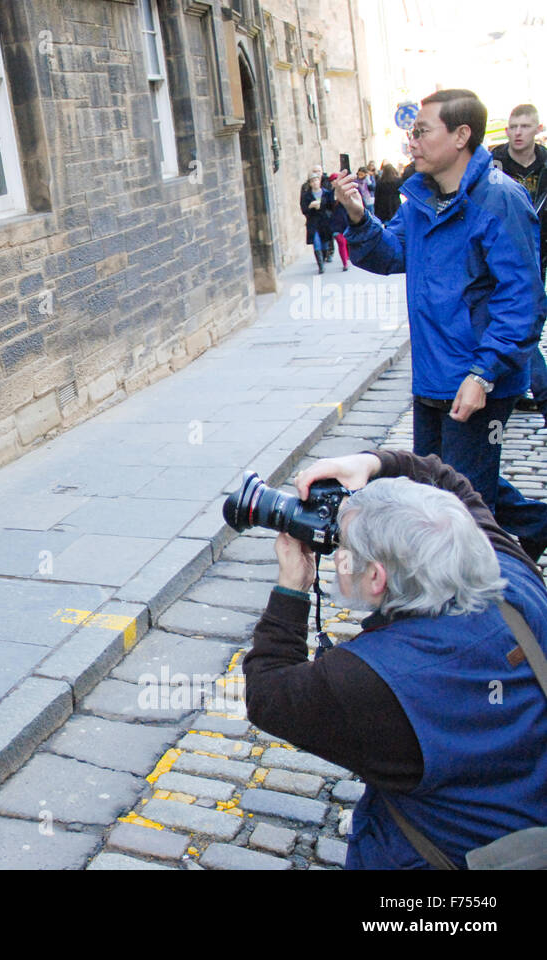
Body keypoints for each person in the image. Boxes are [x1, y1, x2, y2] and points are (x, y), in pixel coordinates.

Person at [245, 448, 547, 869]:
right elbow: (449, 482)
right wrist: (371, 464)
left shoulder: (371, 678)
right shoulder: (512, 577)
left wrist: (292, 590)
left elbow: (268, 692)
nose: (336, 551)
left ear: (376, 578)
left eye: (344, 546)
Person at [334, 89, 547, 560]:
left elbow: (523, 303)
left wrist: (483, 374)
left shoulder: (500, 200)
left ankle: (478, 607)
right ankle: (536, 525)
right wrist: (357, 216)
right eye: (412, 133)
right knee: (436, 481)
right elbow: (390, 254)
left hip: (476, 379)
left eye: (423, 131)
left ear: (461, 135)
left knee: (460, 506)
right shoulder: (420, 200)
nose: (412, 142)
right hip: (432, 374)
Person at [491, 104, 547, 418]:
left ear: (537, 129)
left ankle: (509, 385)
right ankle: (538, 388)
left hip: (538, 254)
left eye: (525, 127)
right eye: (513, 127)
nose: (518, 133)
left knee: (525, 321)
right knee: (521, 322)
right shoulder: (493, 162)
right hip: (498, 255)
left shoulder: (545, 164)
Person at [300, 166, 334, 274]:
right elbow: (304, 209)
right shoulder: (306, 195)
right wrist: (310, 206)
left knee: (324, 243)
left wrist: (323, 206)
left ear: (319, 181)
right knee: (316, 242)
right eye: (312, 181)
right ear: (310, 183)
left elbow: (331, 206)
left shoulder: (326, 193)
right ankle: (321, 266)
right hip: (313, 221)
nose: (315, 183)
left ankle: (324, 256)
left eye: (316, 180)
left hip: (324, 221)